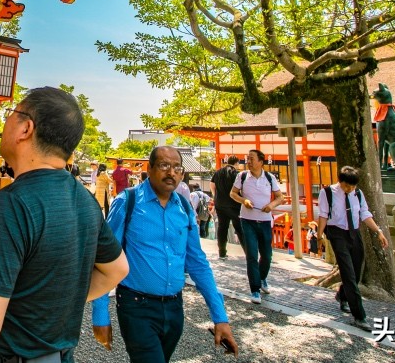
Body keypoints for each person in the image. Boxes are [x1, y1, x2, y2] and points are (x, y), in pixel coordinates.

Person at [0, 87, 129, 362]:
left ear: (26, 128)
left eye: (11, 114)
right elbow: (116, 269)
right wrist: (49, 302)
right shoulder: (84, 200)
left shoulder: (13, 204)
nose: (5, 122)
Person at [92, 146, 237, 361]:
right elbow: (104, 257)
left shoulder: (185, 209)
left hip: (174, 308)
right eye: (164, 166)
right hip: (136, 306)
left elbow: (197, 263)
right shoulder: (127, 202)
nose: (171, 173)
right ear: (149, 169)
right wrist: (100, 315)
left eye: (177, 168)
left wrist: (220, 317)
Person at [315, 166, 388, 332]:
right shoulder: (327, 193)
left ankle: (342, 295)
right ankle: (360, 316)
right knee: (347, 271)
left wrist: (378, 232)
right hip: (337, 233)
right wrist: (319, 237)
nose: (350, 189)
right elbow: (324, 215)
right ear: (340, 181)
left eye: (353, 186)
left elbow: (365, 214)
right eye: (347, 186)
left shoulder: (358, 194)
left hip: (354, 233)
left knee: (356, 270)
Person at [230, 149, 283, 303]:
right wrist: (243, 201)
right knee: (252, 255)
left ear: (261, 161)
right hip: (247, 220)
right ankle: (254, 289)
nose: (249, 161)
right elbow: (233, 193)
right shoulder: (242, 176)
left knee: (267, 255)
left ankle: (262, 278)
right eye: (248, 158)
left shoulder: (269, 177)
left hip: (265, 220)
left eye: (252, 158)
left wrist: (271, 205)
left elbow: (280, 197)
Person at [210, 155, 244, 259]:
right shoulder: (236, 174)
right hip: (234, 205)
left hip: (220, 204)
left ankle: (222, 253)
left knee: (222, 228)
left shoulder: (218, 172)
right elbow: (241, 189)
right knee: (239, 228)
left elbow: (212, 185)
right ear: (236, 163)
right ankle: (248, 252)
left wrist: (215, 196)